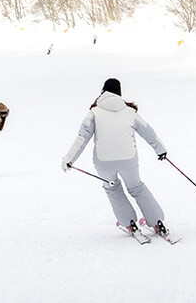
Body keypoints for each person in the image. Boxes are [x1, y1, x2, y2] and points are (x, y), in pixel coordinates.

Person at [61, 78, 172, 240]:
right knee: (137, 187)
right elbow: (148, 132)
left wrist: (68, 159)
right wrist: (160, 150)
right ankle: (156, 222)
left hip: (103, 162)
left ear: (102, 93)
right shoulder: (129, 112)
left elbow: (81, 138)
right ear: (119, 94)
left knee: (113, 189)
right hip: (129, 160)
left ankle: (129, 223)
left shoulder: (94, 113)